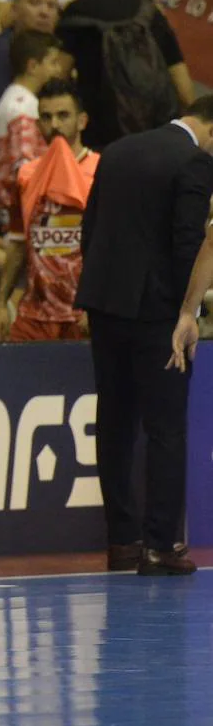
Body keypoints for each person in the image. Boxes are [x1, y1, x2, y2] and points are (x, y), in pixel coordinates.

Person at [86, 98, 213, 578]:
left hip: (103, 302)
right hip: (159, 313)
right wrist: (191, 311)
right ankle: (160, 546)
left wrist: (97, 290)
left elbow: (91, 228)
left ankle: (122, 541)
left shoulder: (116, 150)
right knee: (165, 428)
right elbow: (189, 243)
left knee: (115, 422)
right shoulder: (195, 160)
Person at [59, 0, 195, 151]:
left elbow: (59, 75)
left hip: (91, 138)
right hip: (146, 140)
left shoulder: (77, 11)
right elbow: (185, 91)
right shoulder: (151, 17)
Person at [0, 80, 96, 343]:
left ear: (82, 121)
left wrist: (97, 305)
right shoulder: (26, 175)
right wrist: (1, 303)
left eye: (63, 115)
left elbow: (114, 247)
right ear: (38, 124)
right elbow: (16, 242)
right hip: (34, 317)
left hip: (82, 316)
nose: (55, 125)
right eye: (47, 117)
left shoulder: (102, 170)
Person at [0, 29, 65, 234]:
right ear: (33, 66)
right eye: (53, 62)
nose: (58, 69)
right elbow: (24, 168)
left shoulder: (18, 100)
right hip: (22, 213)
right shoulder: (23, 107)